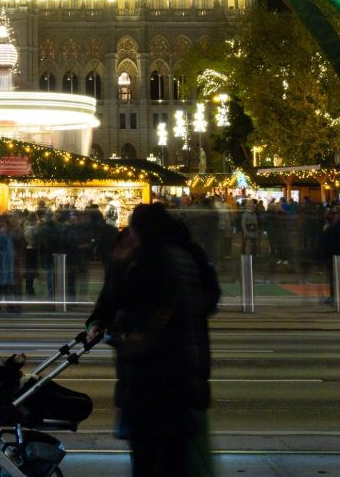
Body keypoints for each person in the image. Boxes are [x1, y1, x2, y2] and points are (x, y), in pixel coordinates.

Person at [86, 203, 219, 477]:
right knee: (177, 459)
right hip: (184, 376)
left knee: (148, 460)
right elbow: (208, 299)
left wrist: (117, 265)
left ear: (139, 230)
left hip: (150, 381)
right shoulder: (187, 253)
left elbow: (121, 298)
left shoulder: (146, 259)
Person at [0, 214, 17, 313]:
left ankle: (7, 305)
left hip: (8, 262)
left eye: (5, 222)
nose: (3, 223)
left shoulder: (9, 232)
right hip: (0, 262)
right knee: (2, 286)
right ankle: (1, 306)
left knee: (7, 286)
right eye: (1, 221)